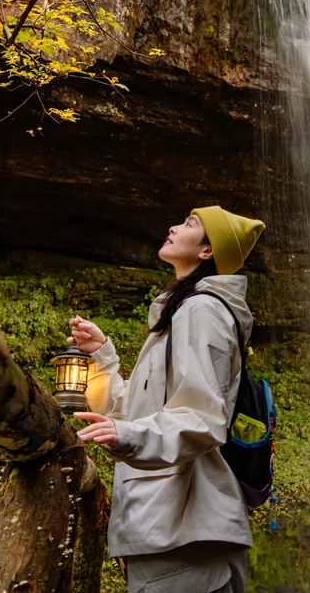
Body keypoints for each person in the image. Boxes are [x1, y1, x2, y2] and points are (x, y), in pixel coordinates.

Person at [71, 205, 265, 593]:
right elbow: (133, 413)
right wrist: (103, 358)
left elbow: (202, 418)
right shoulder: (180, 313)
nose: (174, 227)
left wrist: (130, 436)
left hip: (183, 529)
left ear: (208, 251)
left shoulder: (202, 310)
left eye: (190, 224)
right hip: (166, 527)